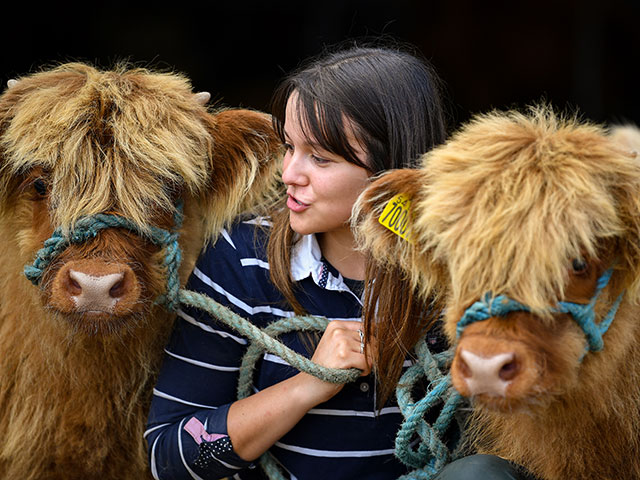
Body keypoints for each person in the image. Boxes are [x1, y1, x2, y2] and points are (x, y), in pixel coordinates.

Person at [145, 43, 532, 480]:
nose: (290, 172)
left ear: (390, 167)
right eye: (289, 147)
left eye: (321, 158)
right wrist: (310, 383)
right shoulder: (240, 258)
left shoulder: (462, 275)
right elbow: (168, 460)